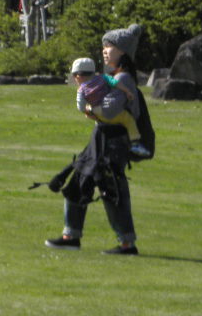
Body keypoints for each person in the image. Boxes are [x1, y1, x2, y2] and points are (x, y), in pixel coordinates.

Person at [46, 24, 144, 254]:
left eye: (109, 47)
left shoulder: (124, 78)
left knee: (111, 189)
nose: (104, 51)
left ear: (123, 51)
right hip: (99, 138)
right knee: (79, 182)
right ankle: (71, 236)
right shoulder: (111, 78)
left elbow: (109, 110)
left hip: (114, 142)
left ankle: (127, 243)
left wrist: (90, 107)